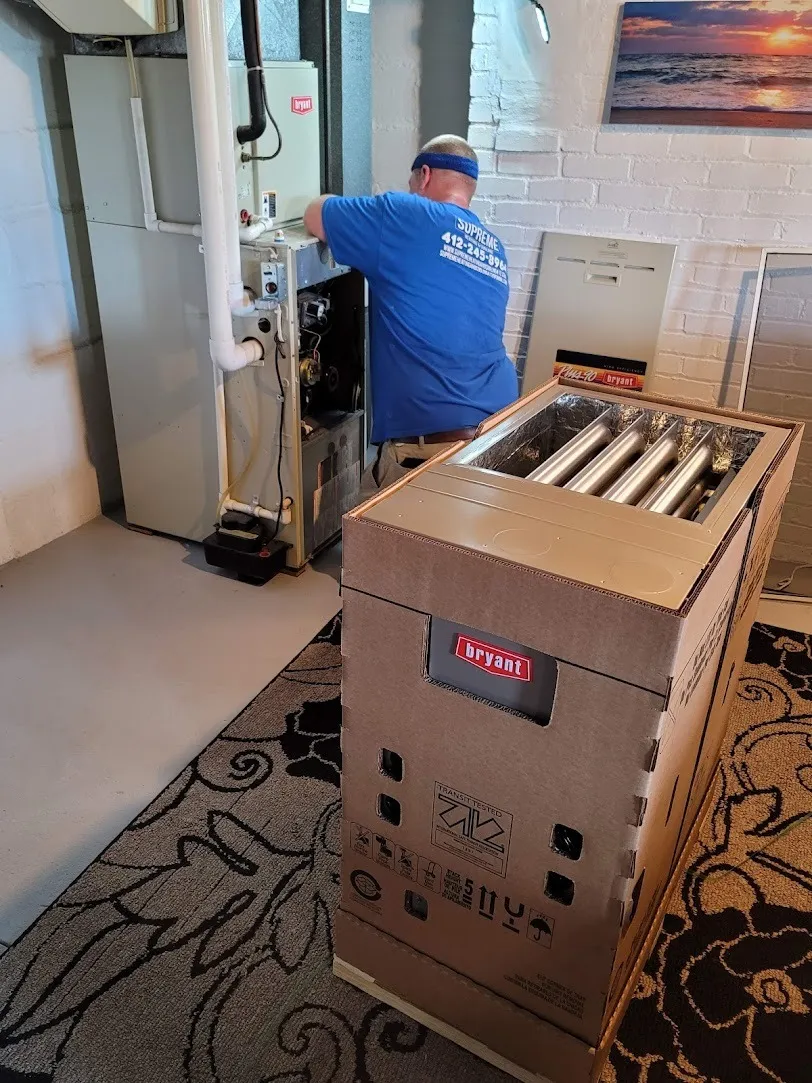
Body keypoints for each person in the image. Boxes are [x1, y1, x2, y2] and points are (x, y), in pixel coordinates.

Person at [303, 134, 518, 492]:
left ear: (426, 175)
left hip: (432, 453)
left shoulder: (407, 214)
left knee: (370, 535)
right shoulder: (493, 248)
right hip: (497, 435)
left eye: (412, 182)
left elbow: (316, 214)